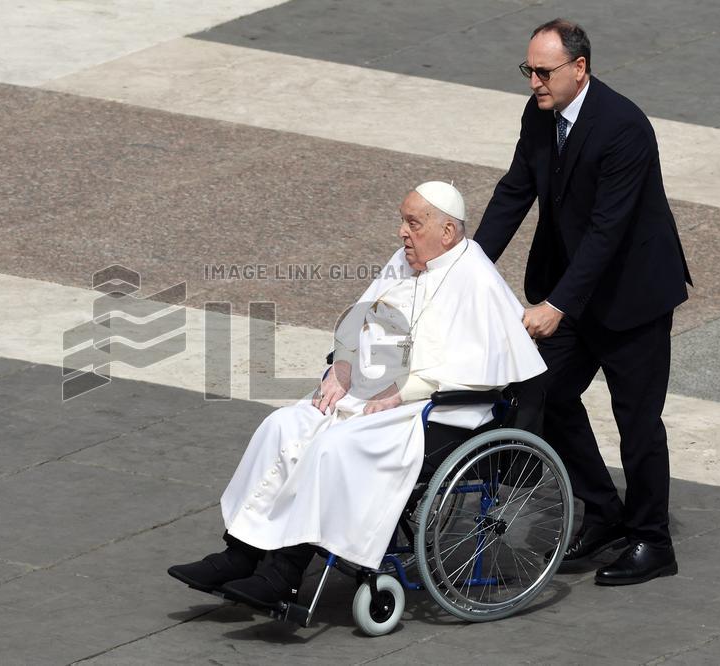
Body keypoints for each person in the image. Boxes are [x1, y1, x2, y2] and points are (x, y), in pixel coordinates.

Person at [168, 182, 546, 610]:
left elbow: (482, 369)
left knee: (332, 447)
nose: (403, 232)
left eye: (413, 223)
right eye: (402, 221)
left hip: (435, 411)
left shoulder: (476, 278)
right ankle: (241, 553)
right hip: (367, 395)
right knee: (282, 426)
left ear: (447, 232)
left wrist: (405, 391)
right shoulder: (405, 263)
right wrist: (341, 368)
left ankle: (284, 574)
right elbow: (358, 319)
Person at [474, 19, 692, 586]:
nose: (534, 83)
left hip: (632, 296)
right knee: (543, 390)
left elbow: (607, 231)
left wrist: (557, 306)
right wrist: (465, 267)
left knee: (637, 421)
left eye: (544, 72)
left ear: (580, 69)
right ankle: (603, 512)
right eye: (529, 71)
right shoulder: (540, 115)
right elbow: (515, 190)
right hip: (574, 286)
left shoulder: (625, 128)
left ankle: (651, 539)